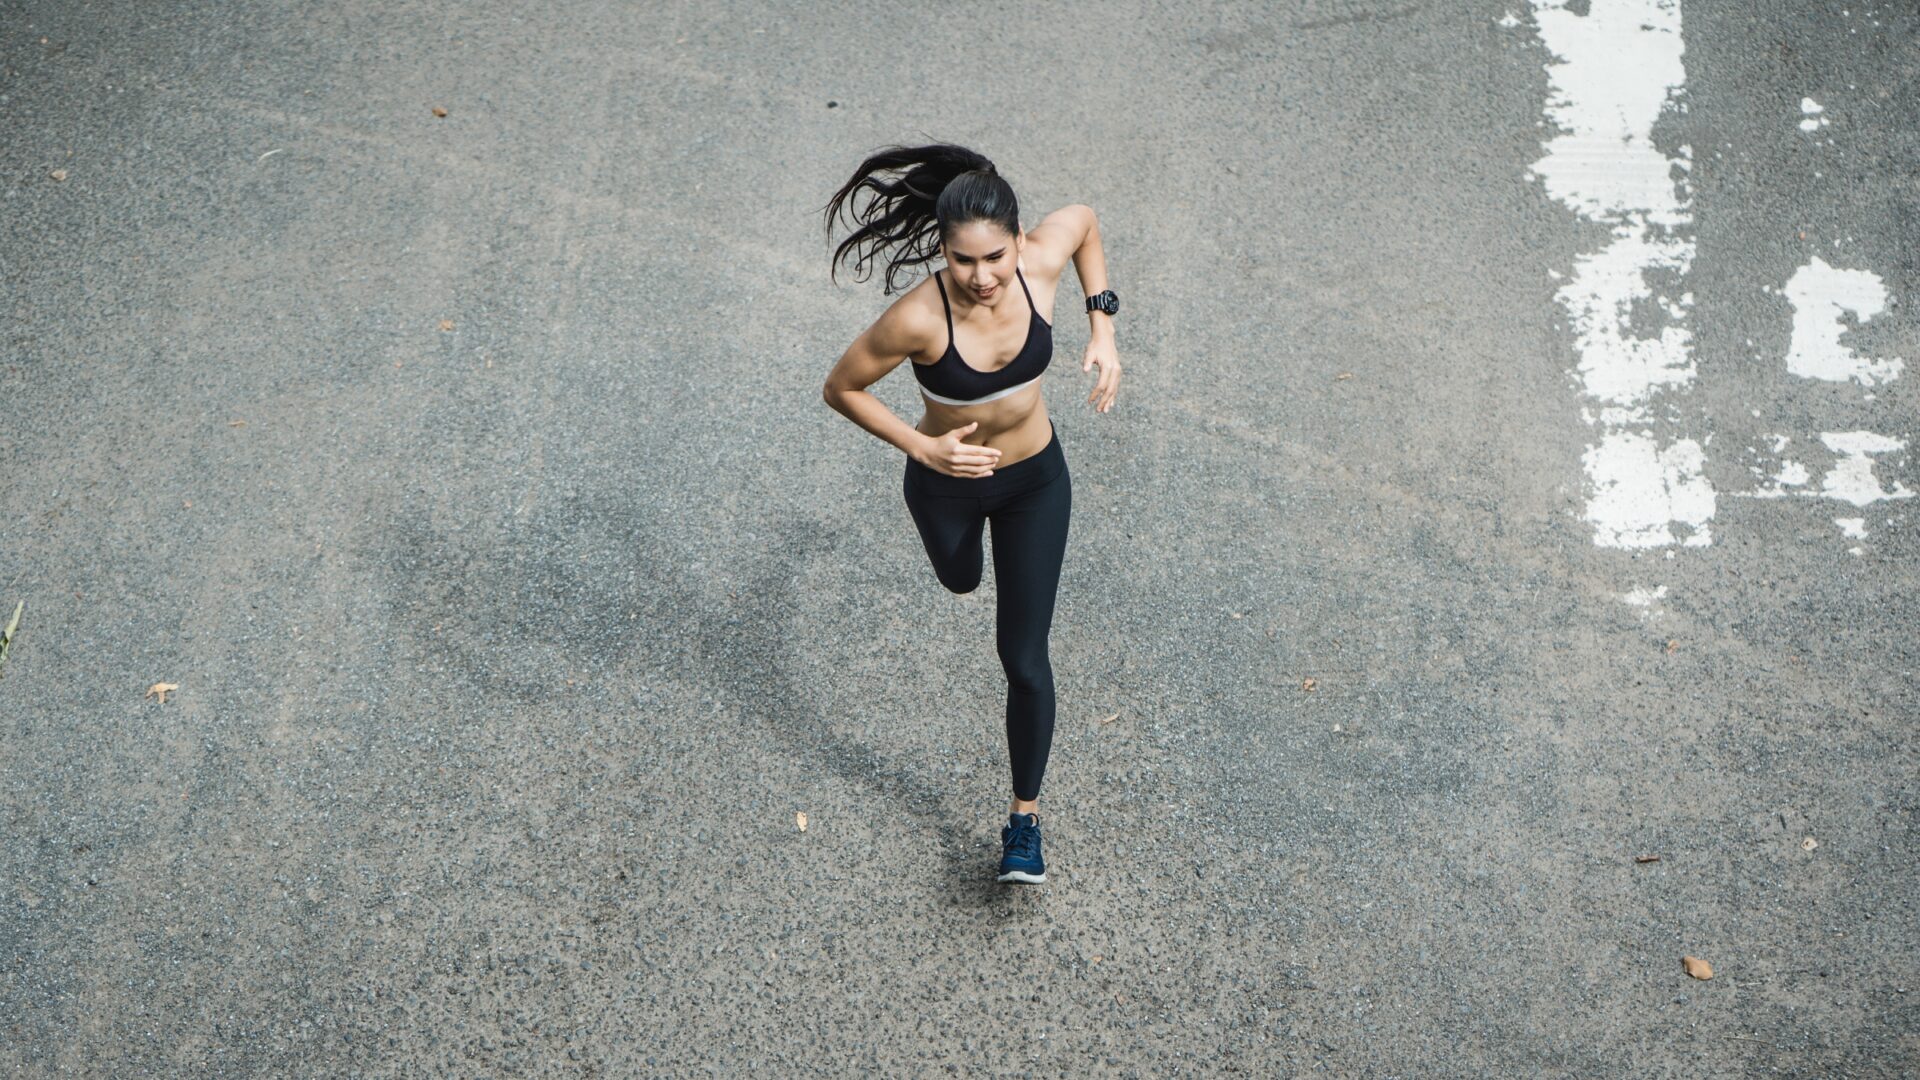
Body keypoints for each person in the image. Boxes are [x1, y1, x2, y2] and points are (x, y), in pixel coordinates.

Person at [819, 143, 1121, 884]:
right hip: (946, 485)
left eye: (994, 257)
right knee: (959, 579)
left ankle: (1024, 822)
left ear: (1018, 243)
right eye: (962, 261)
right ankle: (950, 532)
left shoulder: (1040, 265)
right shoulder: (917, 319)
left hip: (1034, 484)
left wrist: (1104, 326)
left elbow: (1082, 221)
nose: (982, 277)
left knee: (1023, 656)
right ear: (943, 252)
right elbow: (842, 387)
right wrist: (922, 452)